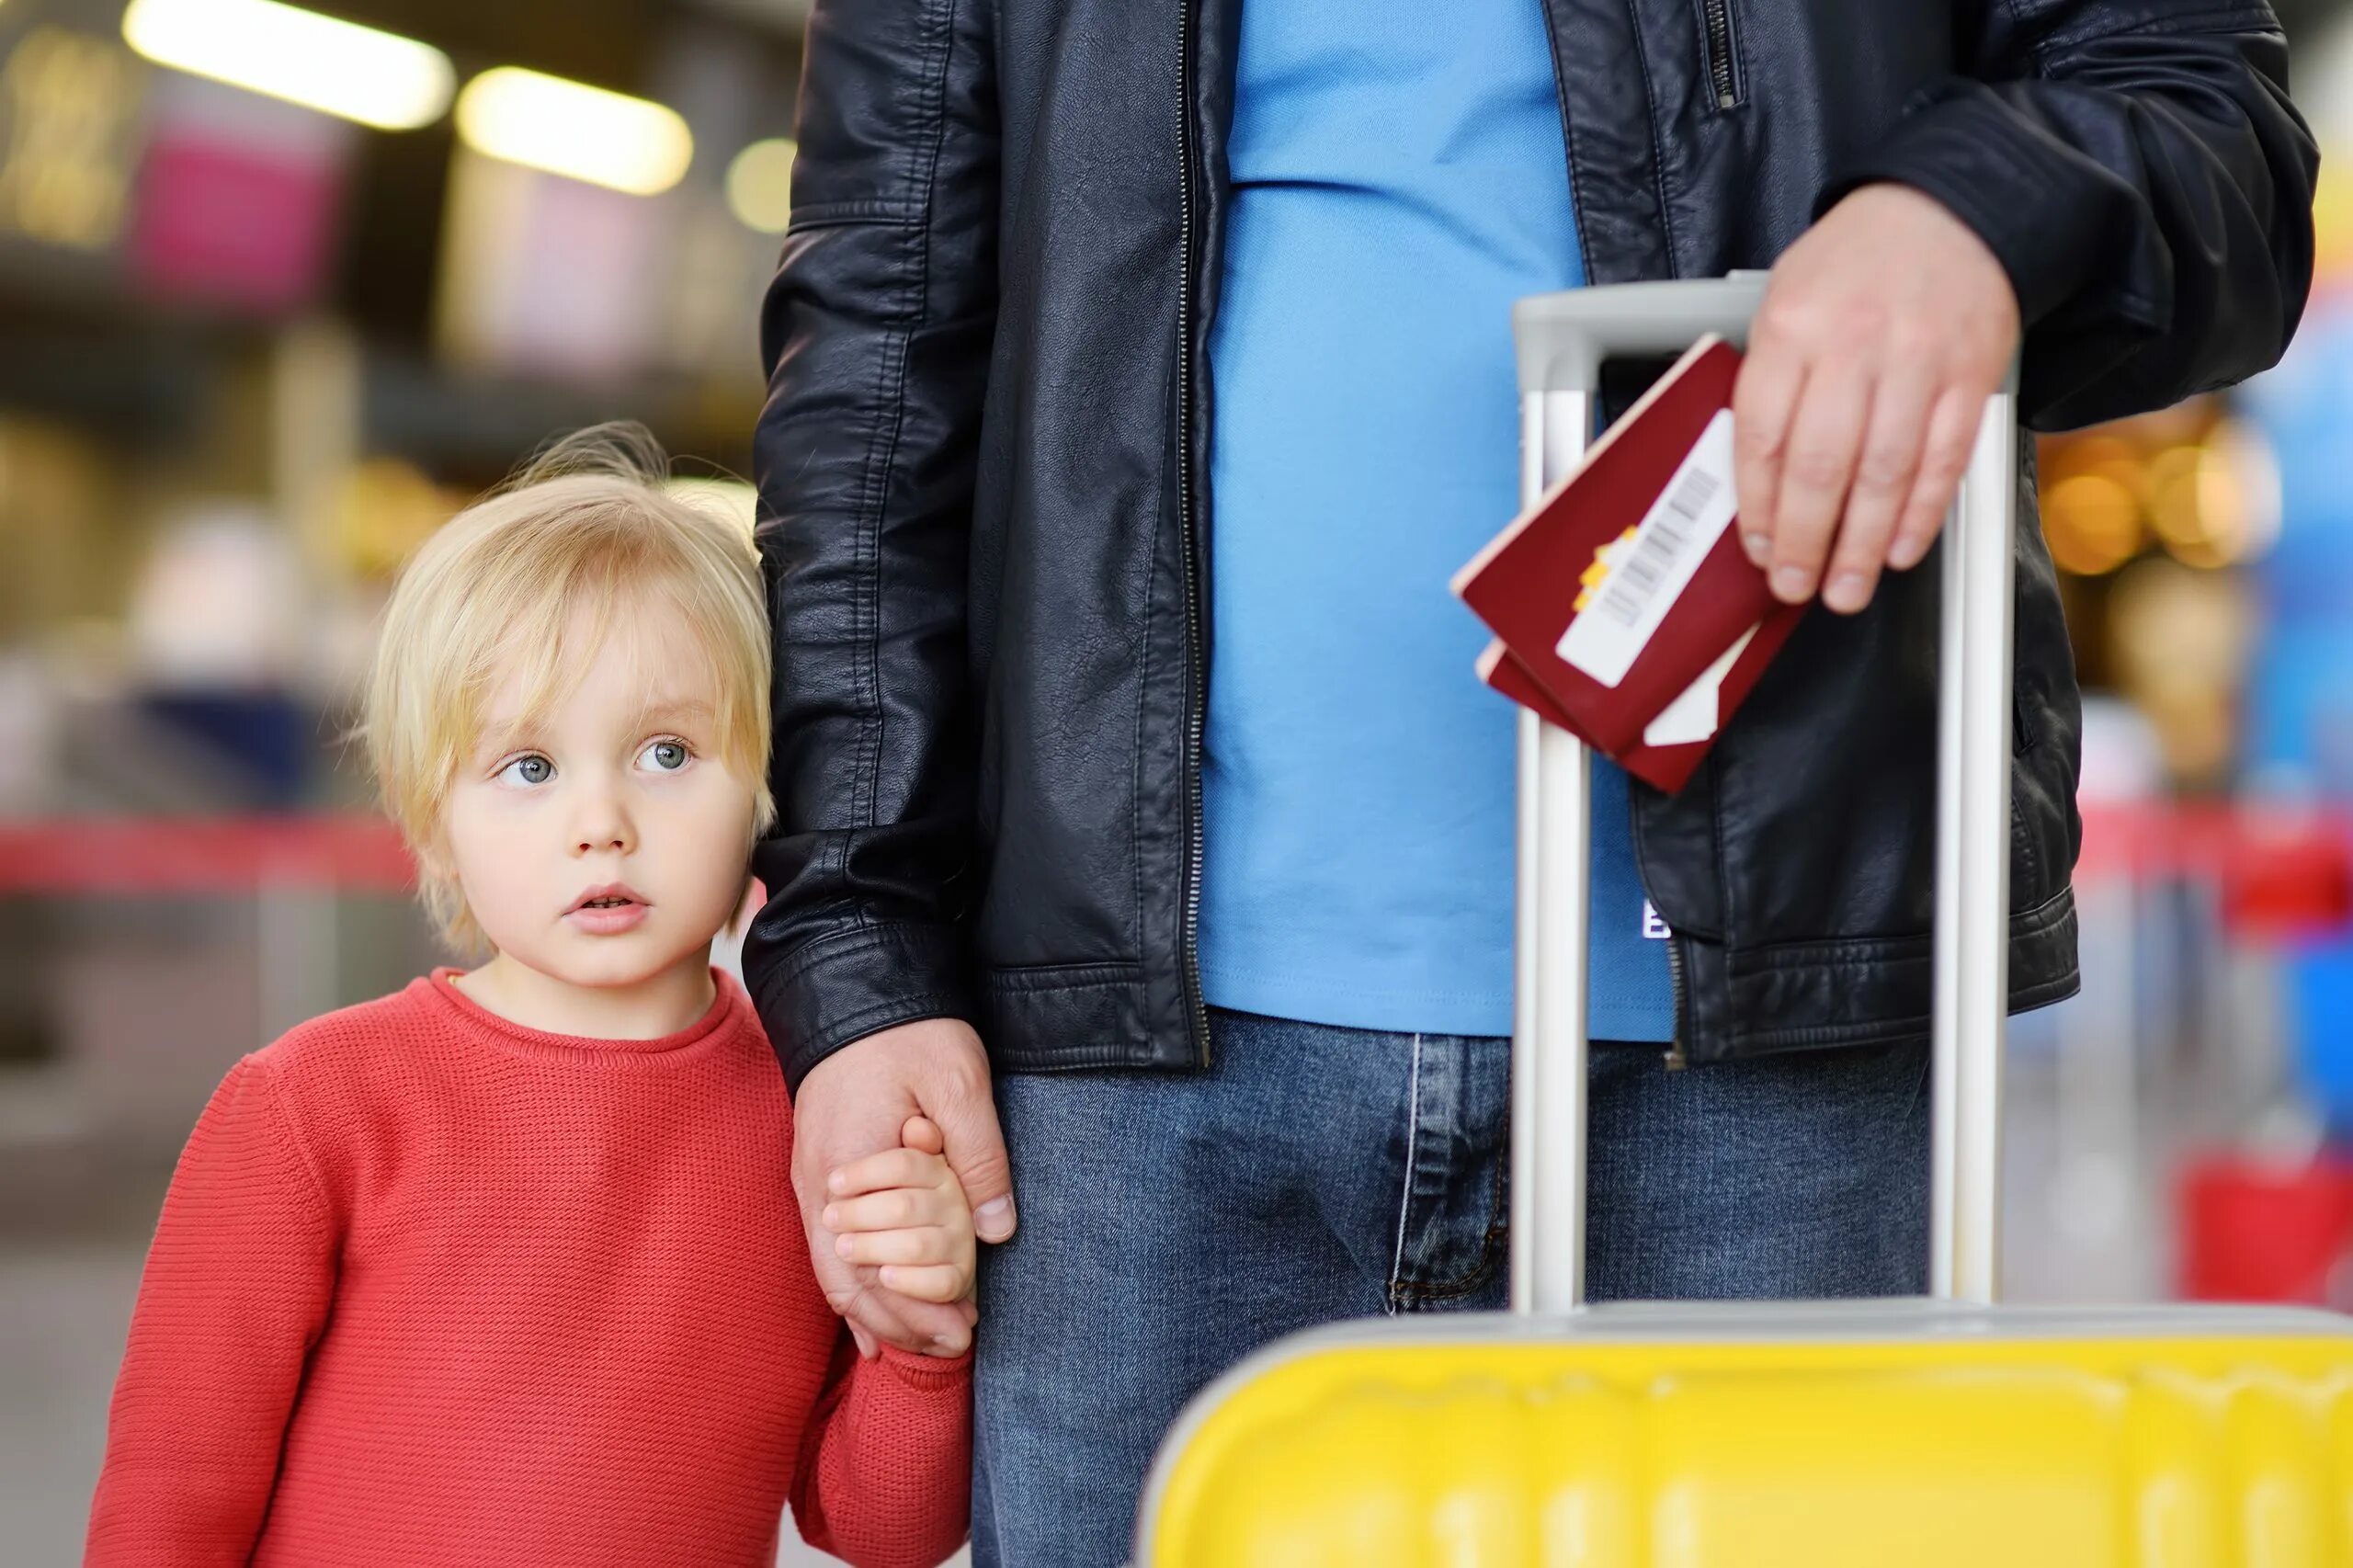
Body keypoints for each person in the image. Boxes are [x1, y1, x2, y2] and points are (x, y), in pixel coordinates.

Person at [749, 4, 2317, 1563]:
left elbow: (2210, 121)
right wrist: (857, 947)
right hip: (1131, 1078)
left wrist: (1982, 203)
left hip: (1762, 1059)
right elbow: (878, 359)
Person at [85, 429, 975, 1568]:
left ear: (765, 787)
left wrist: (923, 1342)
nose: (599, 820)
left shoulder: (822, 1111)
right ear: (432, 824)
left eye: (666, 751)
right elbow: (170, 1497)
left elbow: (879, 1527)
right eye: (529, 767)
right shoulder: (309, 1108)